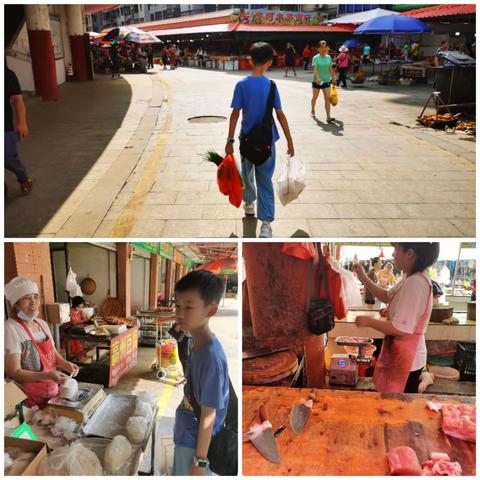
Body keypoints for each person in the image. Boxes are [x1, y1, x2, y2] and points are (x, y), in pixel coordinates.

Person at [225, 42, 294, 238]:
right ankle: (266, 224)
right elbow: (280, 114)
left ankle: (249, 203)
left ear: (251, 60)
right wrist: (290, 141)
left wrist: (229, 141)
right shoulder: (272, 86)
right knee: (265, 181)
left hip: (246, 141)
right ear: (269, 62)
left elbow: (235, 115)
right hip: (267, 142)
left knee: (247, 177)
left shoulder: (241, 85)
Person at [353, 243, 438, 394]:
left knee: (398, 407)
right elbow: (386, 296)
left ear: (410, 253)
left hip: (408, 361)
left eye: (395, 250)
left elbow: (400, 328)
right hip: (402, 354)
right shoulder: (408, 277)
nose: (393, 255)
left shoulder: (415, 283)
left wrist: (368, 321)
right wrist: (363, 277)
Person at [171, 270, 230, 476]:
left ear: (211, 310)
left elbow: (209, 414)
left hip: (196, 442)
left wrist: (200, 461)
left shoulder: (210, 358)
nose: (180, 313)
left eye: (188, 307)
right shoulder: (197, 341)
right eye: (177, 305)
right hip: (188, 432)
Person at [4, 277, 79, 407]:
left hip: (52, 392)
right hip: (29, 400)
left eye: (36, 296)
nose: (33, 302)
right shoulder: (10, 329)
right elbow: (14, 372)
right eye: (26, 298)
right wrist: (47, 375)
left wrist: (66, 364)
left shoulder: (42, 324)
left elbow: (54, 354)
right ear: (15, 304)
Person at [5, 64, 32, 195]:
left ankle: (23, 178)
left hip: (4, 126)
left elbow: (17, 99)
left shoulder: (7, 75)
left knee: (8, 157)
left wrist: (22, 123)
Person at [311, 40, 337, 121]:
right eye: (321, 47)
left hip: (326, 80)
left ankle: (328, 117)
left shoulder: (328, 57)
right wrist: (318, 78)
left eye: (325, 47)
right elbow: (315, 69)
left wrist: (333, 79)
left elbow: (330, 69)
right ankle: (312, 109)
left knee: (327, 98)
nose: (323, 49)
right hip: (317, 80)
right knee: (315, 97)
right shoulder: (315, 58)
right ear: (318, 48)